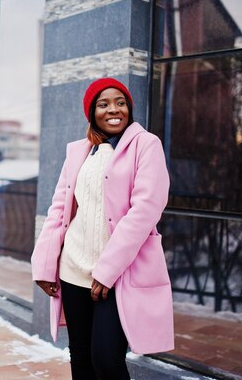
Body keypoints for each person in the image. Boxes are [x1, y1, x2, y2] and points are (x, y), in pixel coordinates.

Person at [31, 78, 174, 380]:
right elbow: (59, 209)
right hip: (73, 269)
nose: (114, 109)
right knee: (81, 358)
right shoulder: (79, 151)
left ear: (129, 108)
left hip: (117, 275)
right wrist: (44, 264)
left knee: (107, 360)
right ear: (91, 112)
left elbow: (144, 211)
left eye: (120, 102)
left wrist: (106, 270)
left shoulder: (146, 146)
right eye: (103, 103)